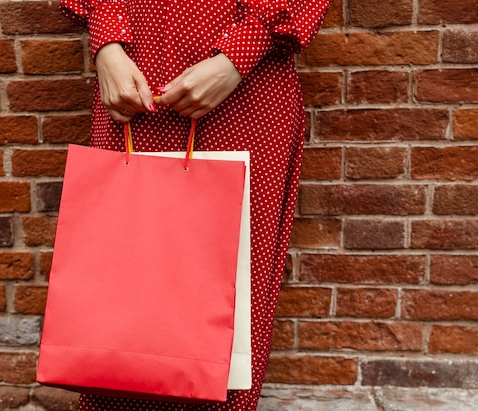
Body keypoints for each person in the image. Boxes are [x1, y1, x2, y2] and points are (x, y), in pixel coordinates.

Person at [59, 0, 329, 410]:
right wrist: (107, 43)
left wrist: (238, 55)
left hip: (245, 88)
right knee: (121, 291)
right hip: (133, 75)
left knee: (226, 311)